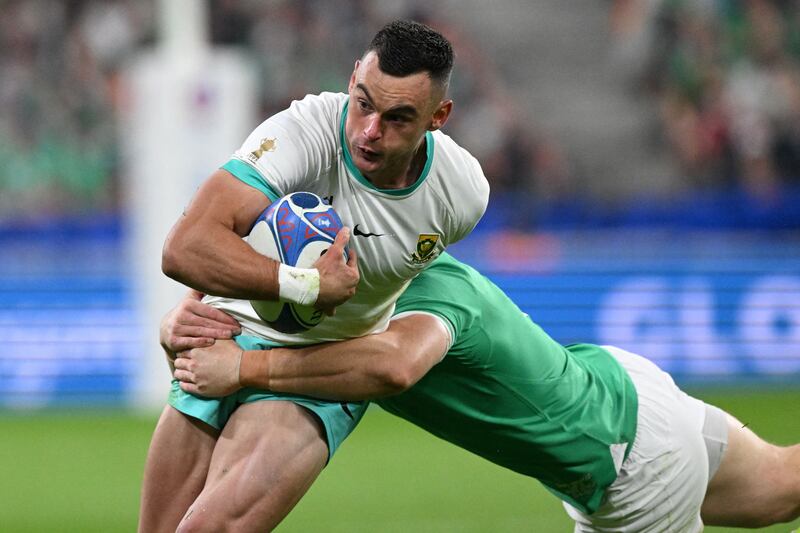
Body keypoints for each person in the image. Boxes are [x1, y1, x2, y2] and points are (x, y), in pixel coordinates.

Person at [140, 20, 490, 533]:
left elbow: (418, 276)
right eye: (364, 103)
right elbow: (186, 245)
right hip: (225, 337)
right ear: (352, 79)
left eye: (397, 118)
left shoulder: (460, 195)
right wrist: (200, 302)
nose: (370, 130)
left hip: (311, 377)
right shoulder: (305, 129)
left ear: (439, 117)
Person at [166, 253, 800, 531]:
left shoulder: (428, 302)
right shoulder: (359, 284)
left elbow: (394, 368)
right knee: (779, 485)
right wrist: (180, 322)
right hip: (623, 391)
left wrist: (246, 372)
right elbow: (231, 288)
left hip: (634, 468)